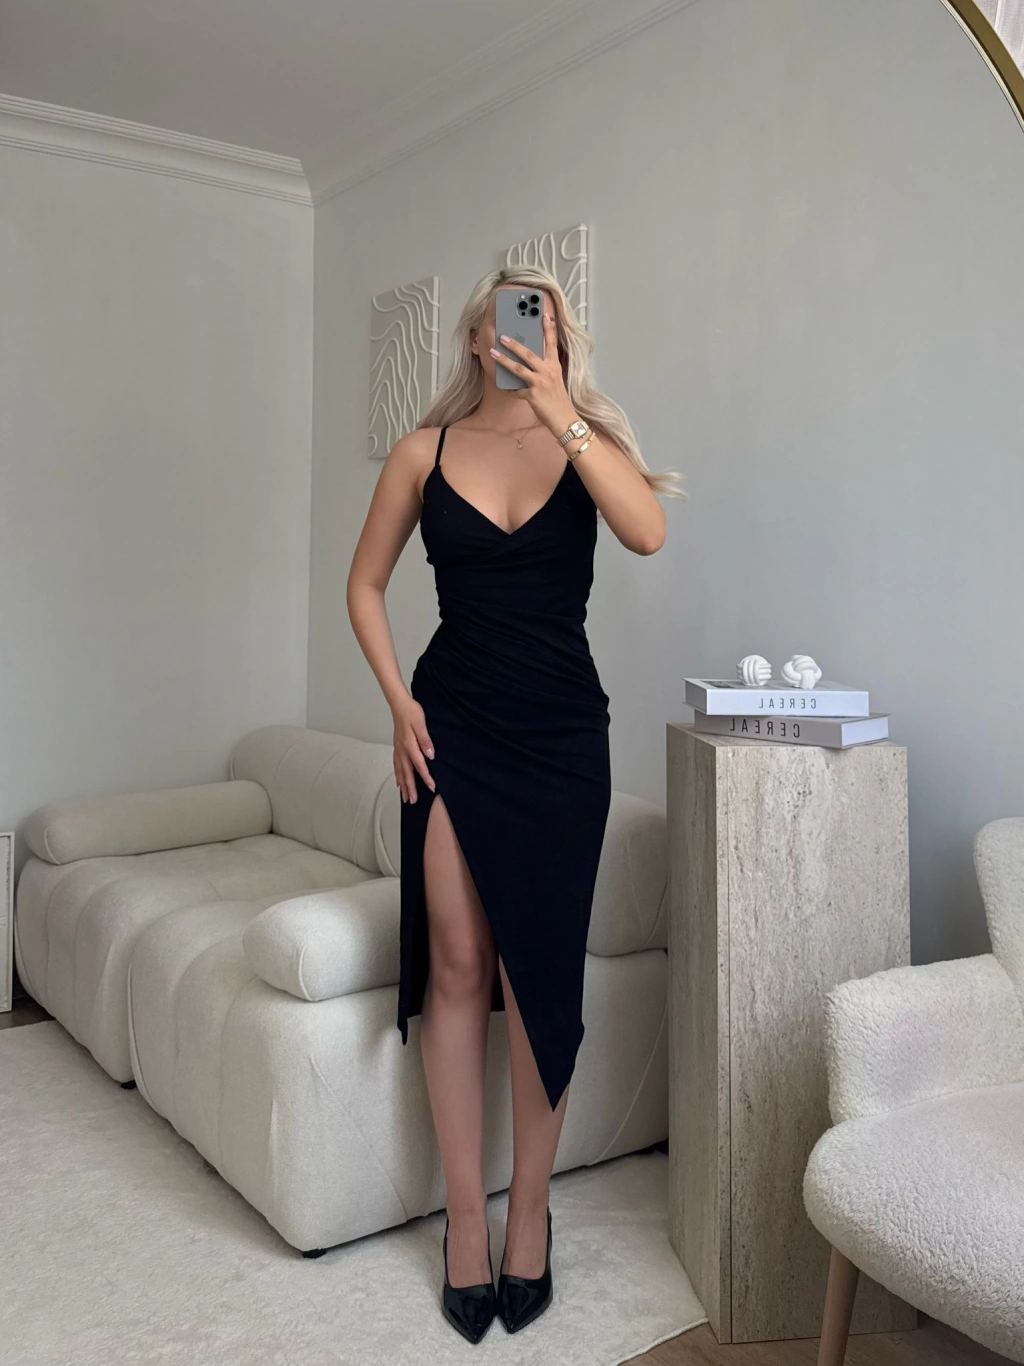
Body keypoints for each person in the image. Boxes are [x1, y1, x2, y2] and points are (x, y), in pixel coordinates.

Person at [346, 264, 684, 1340]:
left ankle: (529, 1212)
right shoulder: (424, 452)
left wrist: (562, 410)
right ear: (473, 335)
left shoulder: (584, 443)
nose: (519, 333)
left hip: (561, 741)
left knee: (538, 973)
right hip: (450, 726)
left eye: (539, 319)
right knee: (456, 962)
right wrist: (398, 701)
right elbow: (363, 585)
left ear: (558, 337)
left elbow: (648, 531)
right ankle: (465, 1220)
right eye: (503, 318)